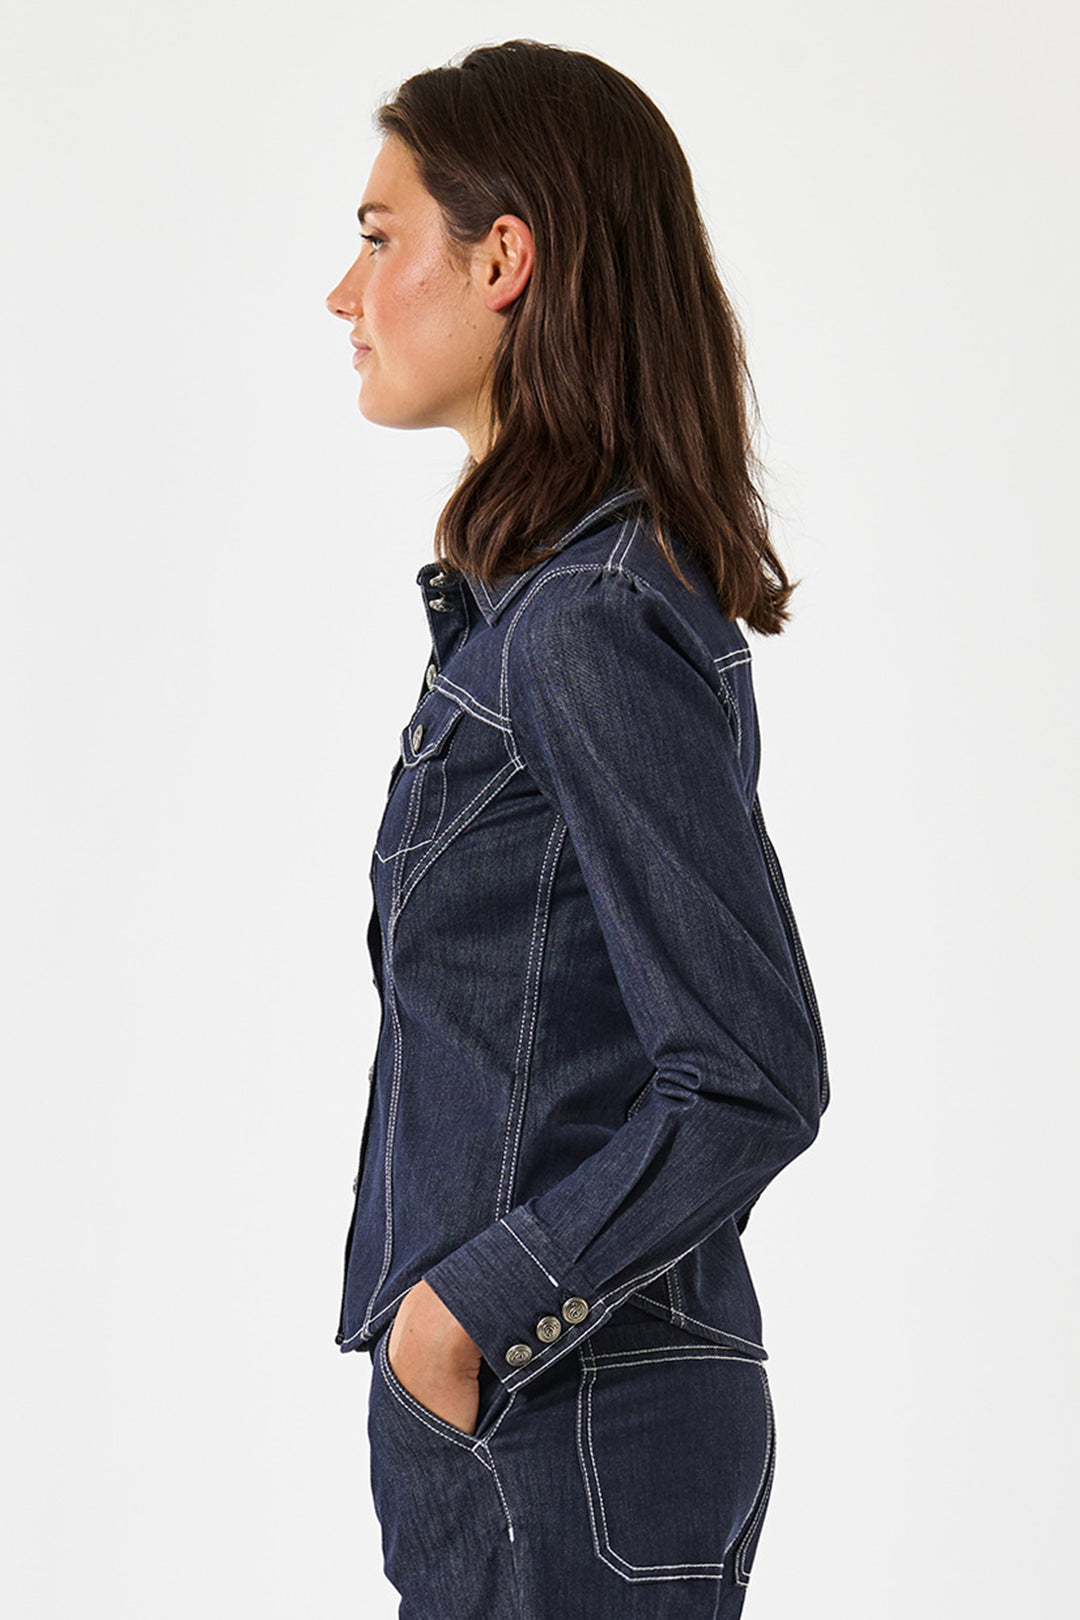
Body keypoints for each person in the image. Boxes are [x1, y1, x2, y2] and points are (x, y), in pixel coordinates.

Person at [324, 38, 830, 1620]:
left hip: (568, 1418)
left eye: (376, 236)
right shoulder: (535, 617)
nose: (345, 296)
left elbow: (752, 1072)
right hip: (542, 1416)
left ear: (503, 259)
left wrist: (461, 1319)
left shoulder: (581, 624)